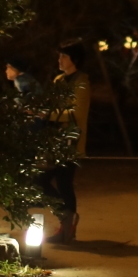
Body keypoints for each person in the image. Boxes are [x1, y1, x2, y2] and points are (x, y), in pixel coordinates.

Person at [40, 42, 91, 243]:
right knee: (41, 180)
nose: (59, 60)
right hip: (54, 141)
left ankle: (66, 228)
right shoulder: (59, 80)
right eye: (59, 56)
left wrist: (48, 114)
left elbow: (76, 114)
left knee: (63, 183)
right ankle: (66, 219)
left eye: (64, 57)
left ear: (74, 60)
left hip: (70, 142)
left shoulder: (82, 83)